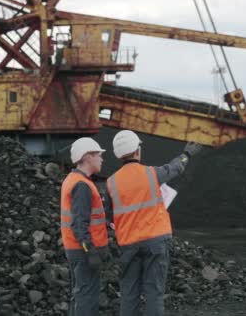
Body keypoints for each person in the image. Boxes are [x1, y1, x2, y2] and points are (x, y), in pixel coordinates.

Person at [106, 130, 202, 316]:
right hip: (155, 242)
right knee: (154, 294)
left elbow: (109, 215)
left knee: (129, 294)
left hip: (128, 244)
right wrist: (186, 154)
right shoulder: (151, 174)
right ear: (137, 151)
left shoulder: (111, 183)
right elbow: (175, 168)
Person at [60, 137, 108, 316]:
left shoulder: (72, 179)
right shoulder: (82, 186)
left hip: (76, 249)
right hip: (83, 252)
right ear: (87, 157)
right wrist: (90, 251)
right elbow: (79, 223)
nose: (102, 159)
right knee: (87, 298)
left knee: (79, 295)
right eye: (98, 155)